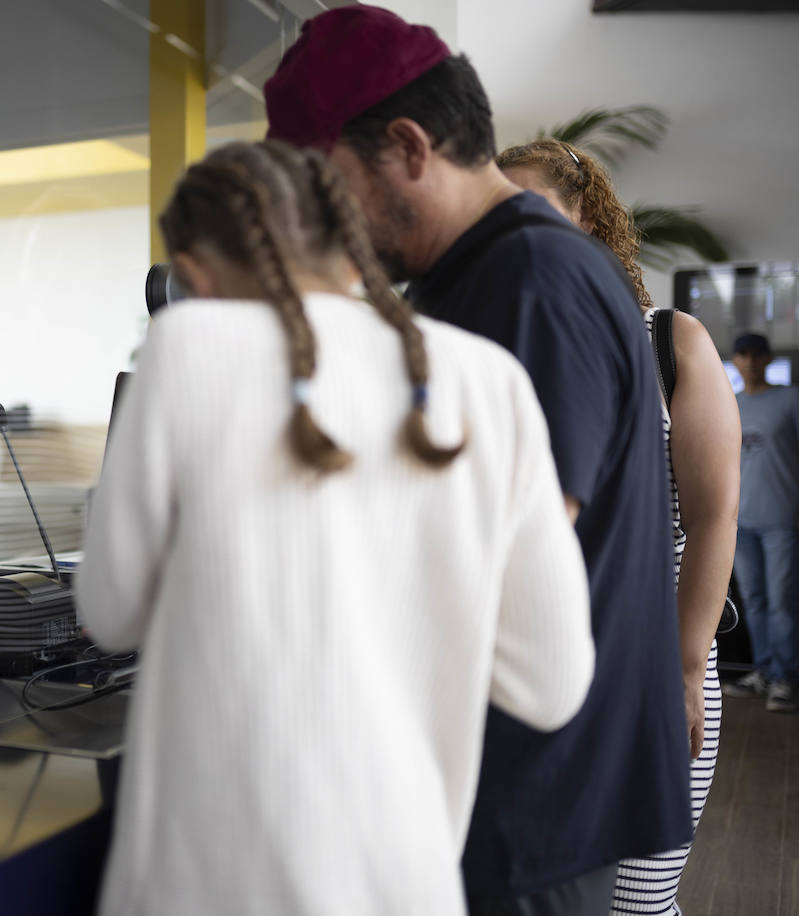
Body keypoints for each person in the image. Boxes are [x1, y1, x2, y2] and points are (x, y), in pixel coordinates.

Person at [77, 140, 595, 914]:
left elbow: (110, 613)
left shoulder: (187, 347)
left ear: (193, 272)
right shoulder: (491, 379)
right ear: (352, 246)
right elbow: (551, 686)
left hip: (207, 882)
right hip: (406, 876)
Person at [263, 7, 690, 913]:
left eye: (325, 185)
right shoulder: (476, 277)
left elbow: (497, 553)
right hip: (506, 781)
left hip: (524, 792)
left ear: (410, 146)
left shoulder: (528, 280)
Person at [499, 138, 742, 916]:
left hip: (651, 653)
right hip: (531, 667)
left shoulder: (671, 341)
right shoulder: (497, 347)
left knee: (636, 901)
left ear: (591, 222)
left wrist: (683, 668)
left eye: (531, 210)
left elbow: (712, 515)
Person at [722, 332, 799, 713]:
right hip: (740, 521)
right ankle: (764, 671)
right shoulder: (731, 403)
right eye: (741, 355)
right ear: (735, 361)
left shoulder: (792, 399)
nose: (748, 362)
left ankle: (784, 679)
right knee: (754, 600)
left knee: (782, 601)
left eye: (755, 355)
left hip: (782, 518)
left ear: (767, 359)